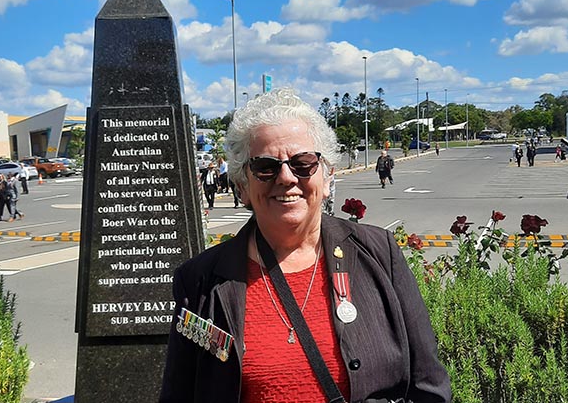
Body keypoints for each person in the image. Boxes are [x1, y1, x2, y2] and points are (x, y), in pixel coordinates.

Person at [160, 89, 450, 403]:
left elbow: (429, 387)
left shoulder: (378, 252)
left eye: (303, 163)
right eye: (265, 166)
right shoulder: (201, 281)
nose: (286, 177)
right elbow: (181, 394)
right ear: (242, 186)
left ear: (326, 178)